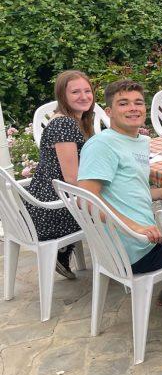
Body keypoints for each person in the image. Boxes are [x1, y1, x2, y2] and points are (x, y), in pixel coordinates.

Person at [78, 80, 162, 274]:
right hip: (137, 250)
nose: (133, 108)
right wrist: (136, 228)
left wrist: (160, 193)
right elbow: (85, 200)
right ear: (109, 112)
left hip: (146, 239)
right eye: (123, 103)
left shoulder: (139, 140)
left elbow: (125, 189)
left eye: (138, 102)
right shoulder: (102, 145)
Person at [25, 70, 96, 280]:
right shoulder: (64, 124)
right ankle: (124, 261)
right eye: (75, 92)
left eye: (87, 90)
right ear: (62, 95)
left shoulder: (72, 120)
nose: (83, 96)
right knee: (113, 205)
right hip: (53, 210)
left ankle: (64, 253)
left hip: (44, 199)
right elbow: (72, 179)